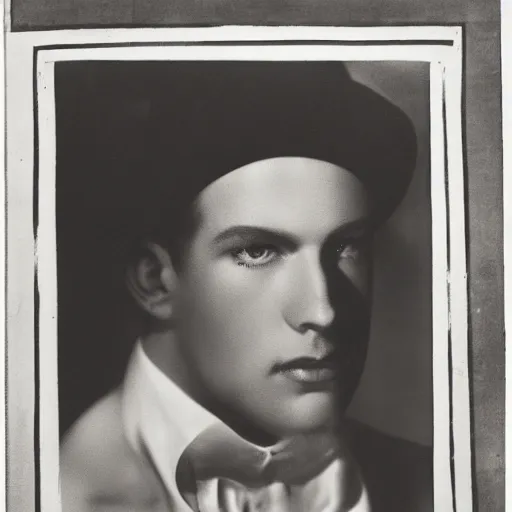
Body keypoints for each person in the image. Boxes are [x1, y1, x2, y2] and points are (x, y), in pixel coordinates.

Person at [59, 61, 433, 512]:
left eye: (345, 248)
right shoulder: (52, 487)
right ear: (155, 281)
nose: (323, 310)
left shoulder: (436, 484)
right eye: (258, 251)